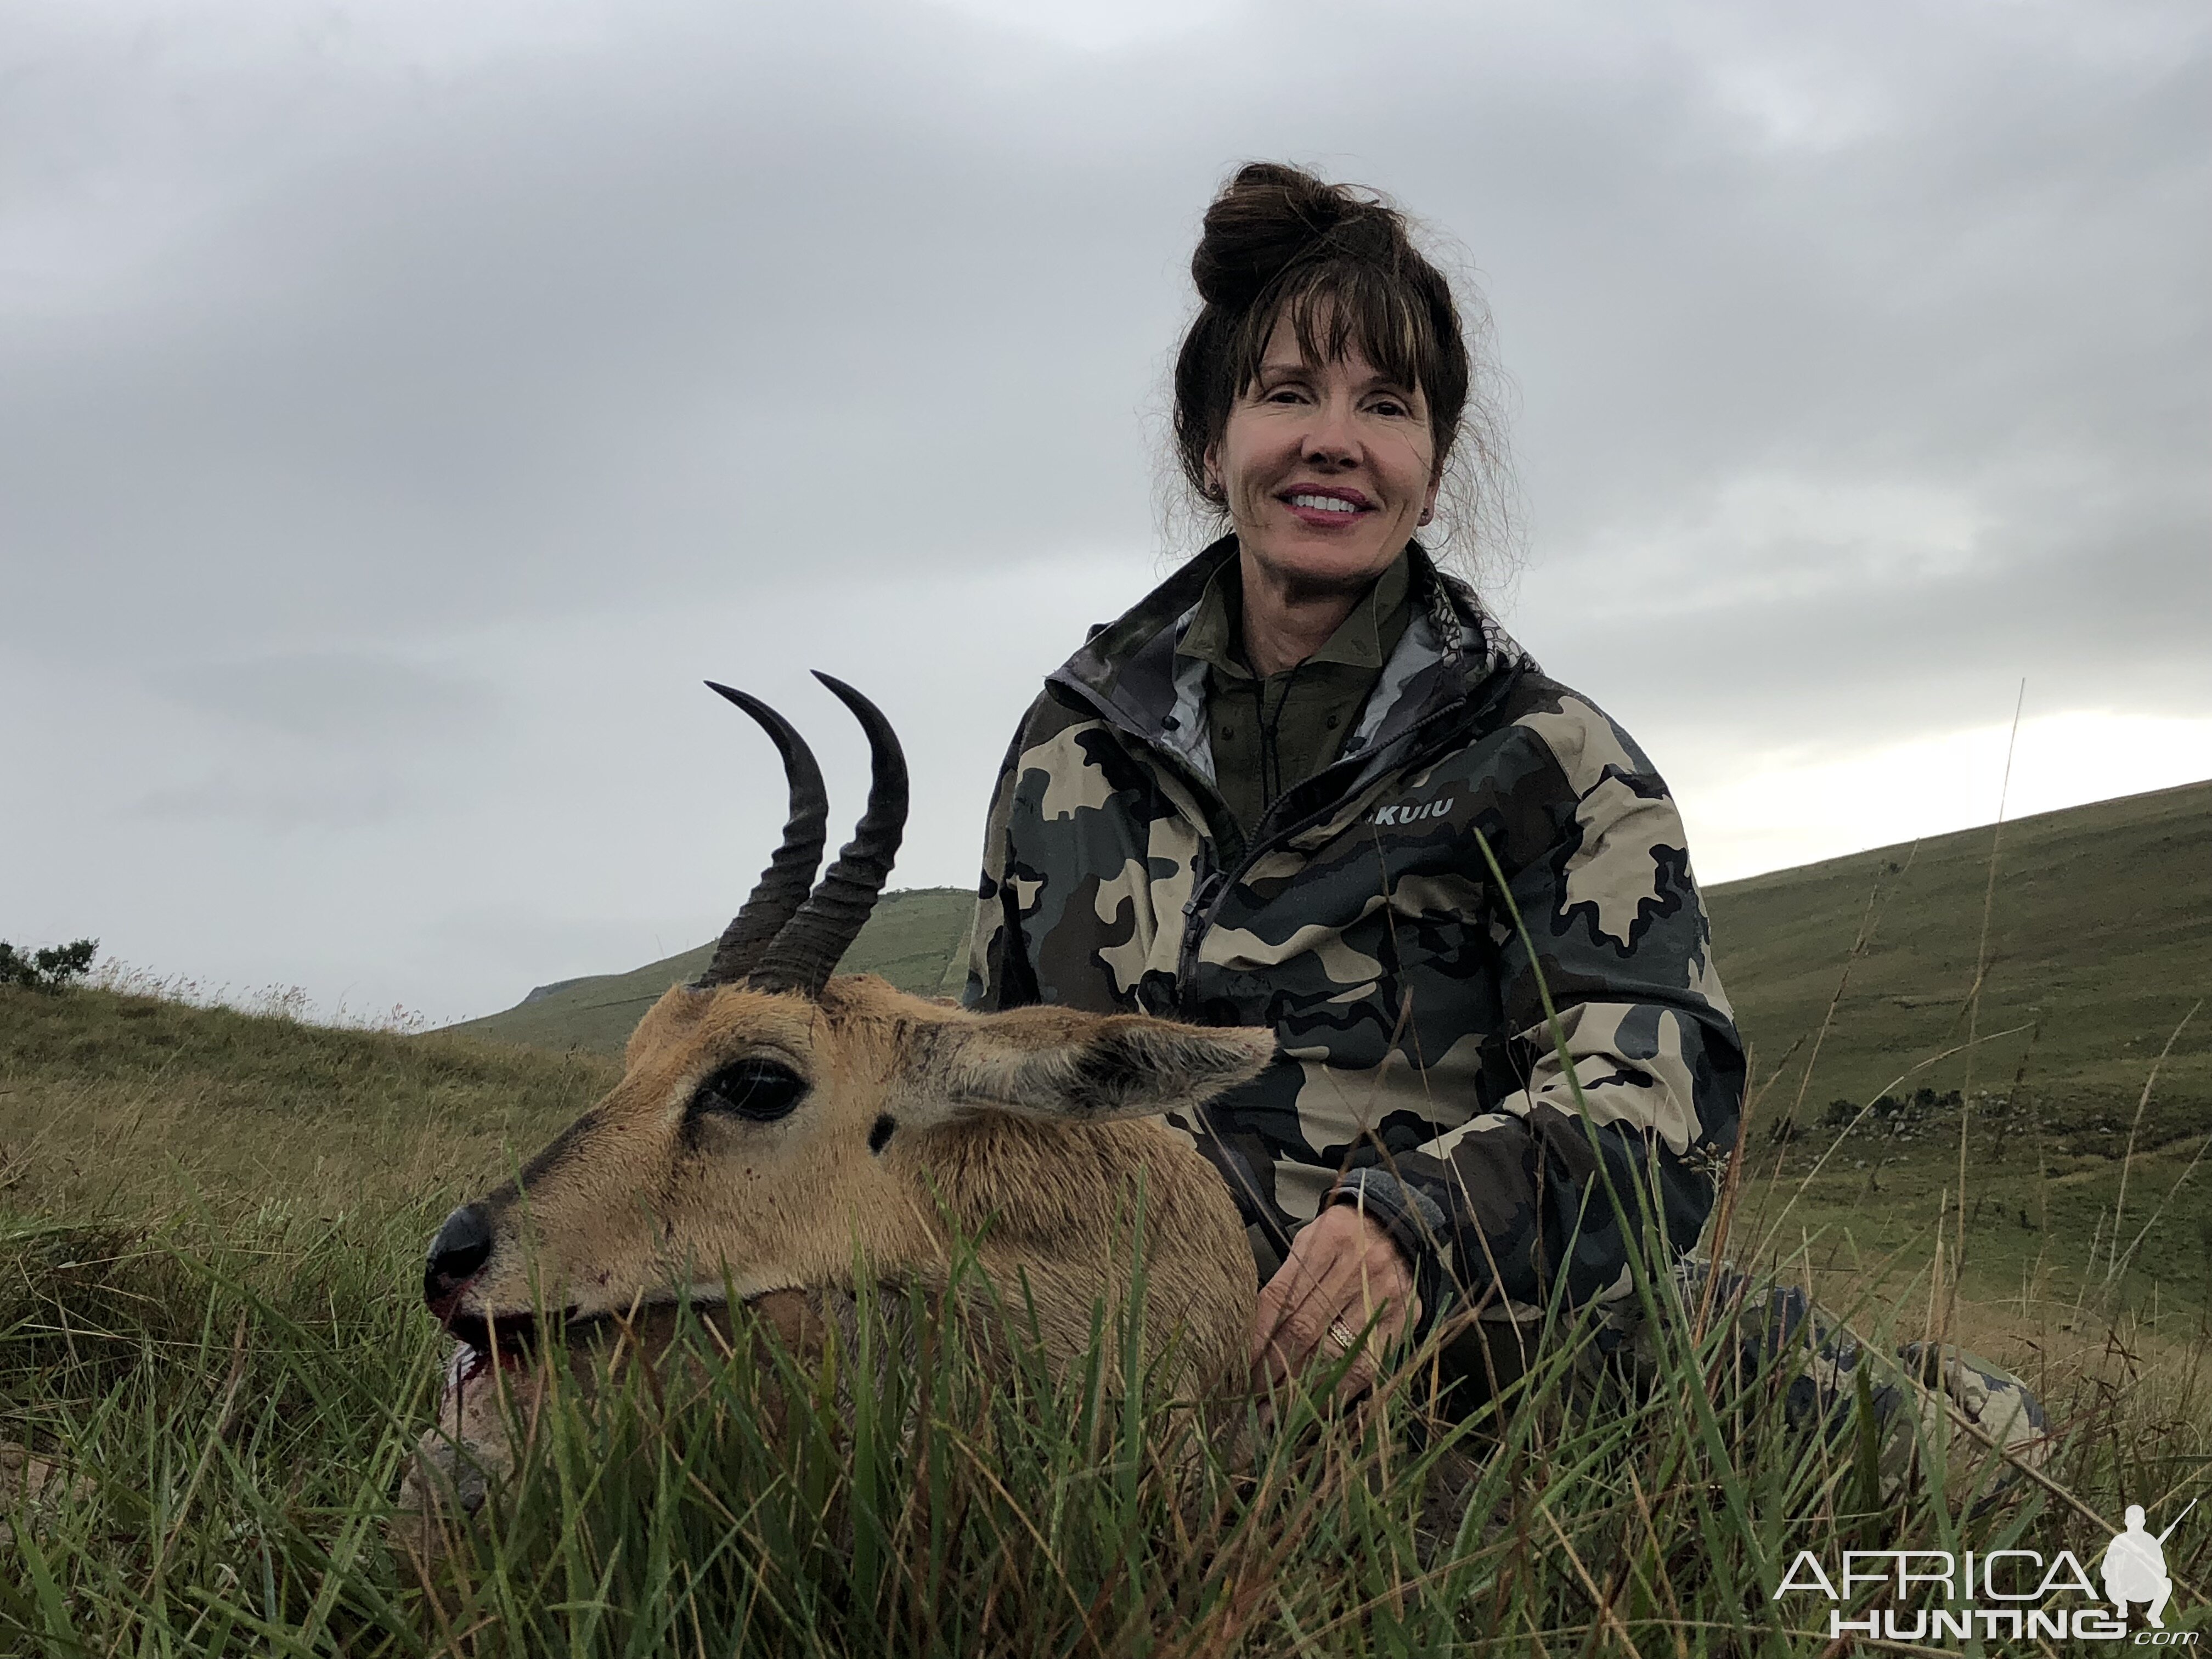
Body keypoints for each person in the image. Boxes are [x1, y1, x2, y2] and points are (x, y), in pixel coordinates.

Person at [959, 161, 1741, 1406]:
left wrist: (1414, 1227)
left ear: (1430, 470)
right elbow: (986, 1088)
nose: (1336, 437)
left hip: (1479, 1364)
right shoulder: (1070, 748)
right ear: (1209, 446)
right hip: (1112, 1391)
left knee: (1960, 1460)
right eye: (1286, 394)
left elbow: (1661, 1091)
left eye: (1388, 404)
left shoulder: (1547, 758)